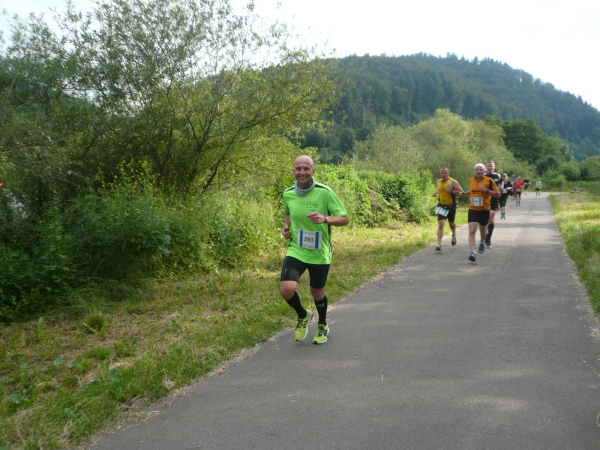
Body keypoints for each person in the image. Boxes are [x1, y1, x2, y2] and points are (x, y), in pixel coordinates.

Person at [280, 155, 349, 345]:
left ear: (313, 171)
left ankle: (322, 324)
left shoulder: (324, 192)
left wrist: (326, 219)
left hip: (319, 251)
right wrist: (285, 226)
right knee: (286, 289)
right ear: (293, 171)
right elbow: (287, 213)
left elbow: (344, 218)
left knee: (316, 291)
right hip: (297, 248)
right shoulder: (288, 193)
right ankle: (303, 315)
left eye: (306, 168)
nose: (302, 172)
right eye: (298, 168)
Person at [459, 163, 500, 262]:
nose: (478, 171)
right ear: (474, 171)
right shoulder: (471, 180)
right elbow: (473, 190)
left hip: (484, 209)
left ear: (484, 171)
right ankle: (472, 252)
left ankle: (482, 241)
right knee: (472, 229)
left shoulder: (489, 180)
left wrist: (486, 190)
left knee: (483, 231)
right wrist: (465, 193)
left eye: (480, 169)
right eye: (477, 169)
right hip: (473, 208)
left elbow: (498, 194)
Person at [432, 167, 463, 251]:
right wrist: (435, 192)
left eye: (445, 173)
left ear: (448, 173)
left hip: (451, 207)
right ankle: (439, 243)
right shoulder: (439, 182)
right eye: (442, 173)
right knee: (441, 224)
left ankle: (453, 234)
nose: (443, 174)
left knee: (451, 224)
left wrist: (452, 191)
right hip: (442, 206)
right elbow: (440, 190)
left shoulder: (452, 181)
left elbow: (461, 191)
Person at [484, 160, 502, 248]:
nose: (489, 168)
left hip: (494, 200)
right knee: (484, 220)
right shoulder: (483, 175)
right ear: (485, 167)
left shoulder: (498, 176)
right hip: (484, 200)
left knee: (491, 219)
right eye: (488, 166)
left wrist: (499, 191)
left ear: (494, 167)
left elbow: (501, 187)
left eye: (491, 166)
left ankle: (488, 239)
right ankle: (484, 236)